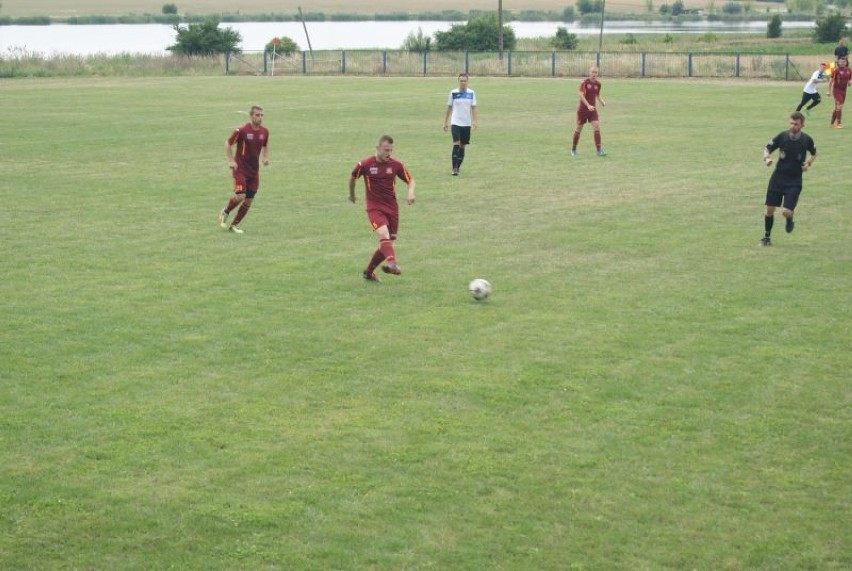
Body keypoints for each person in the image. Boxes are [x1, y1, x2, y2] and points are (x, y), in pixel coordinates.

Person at [348, 135, 416, 282]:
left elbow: (411, 180)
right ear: (377, 148)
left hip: (392, 208)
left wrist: (410, 192)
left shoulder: (396, 165)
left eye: (390, 150)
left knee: (387, 243)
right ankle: (392, 263)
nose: (388, 153)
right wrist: (352, 195)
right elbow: (353, 177)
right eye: (386, 150)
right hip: (374, 207)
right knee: (384, 235)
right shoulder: (365, 164)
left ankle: (368, 273)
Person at [759, 111, 816, 247]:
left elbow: (814, 154)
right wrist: (766, 158)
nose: (792, 126)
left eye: (796, 124)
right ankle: (766, 238)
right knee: (769, 210)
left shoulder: (806, 140)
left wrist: (808, 163)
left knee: (786, 211)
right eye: (791, 123)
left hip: (794, 181)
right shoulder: (782, 136)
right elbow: (767, 148)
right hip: (778, 178)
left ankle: (789, 219)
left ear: (802, 125)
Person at [218, 105, 270, 233]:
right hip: (240, 169)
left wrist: (266, 157)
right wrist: (231, 160)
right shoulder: (241, 130)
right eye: (257, 115)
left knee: (249, 199)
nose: (260, 117)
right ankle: (225, 212)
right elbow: (228, 143)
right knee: (241, 195)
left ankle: (234, 225)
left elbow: (265, 145)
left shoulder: (264, 131)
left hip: (254, 171)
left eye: (262, 115)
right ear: (251, 116)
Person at [443, 73, 478, 176]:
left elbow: (474, 108)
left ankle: (458, 167)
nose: (463, 83)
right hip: (455, 122)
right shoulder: (453, 93)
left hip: (466, 123)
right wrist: (445, 121)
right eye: (461, 81)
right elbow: (449, 107)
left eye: (464, 81)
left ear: (467, 82)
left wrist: (475, 121)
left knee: (462, 146)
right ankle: (454, 169)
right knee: (456, 143)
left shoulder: (471, 93)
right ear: (458, 81)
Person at [571, 66, 607, 157]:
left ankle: (599, 151)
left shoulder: (598, 84)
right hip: (583, 110)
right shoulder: (584, 83)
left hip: (592, 110)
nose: (594, 74)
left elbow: (597, 94)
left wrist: (601, 101)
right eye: (592, 72)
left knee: (597, 126)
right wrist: (588, 105)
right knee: (579, 128)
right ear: (589, 73)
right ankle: (573, 150)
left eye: (596, 73)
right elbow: (581, 95)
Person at [828, 56, 852, 128]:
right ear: (838, 62)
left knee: (837, 107)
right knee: (839, 106)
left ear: (846, 62)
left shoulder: (849, 70)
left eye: (844, 62)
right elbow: (831, 81)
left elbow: (850, 79)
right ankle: (839, 123)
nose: (842, 63)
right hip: (836, 90)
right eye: (841, 62)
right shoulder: (836, 70)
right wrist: (828, 91)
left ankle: (831, 123)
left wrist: (850, 82)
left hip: (844, 91)